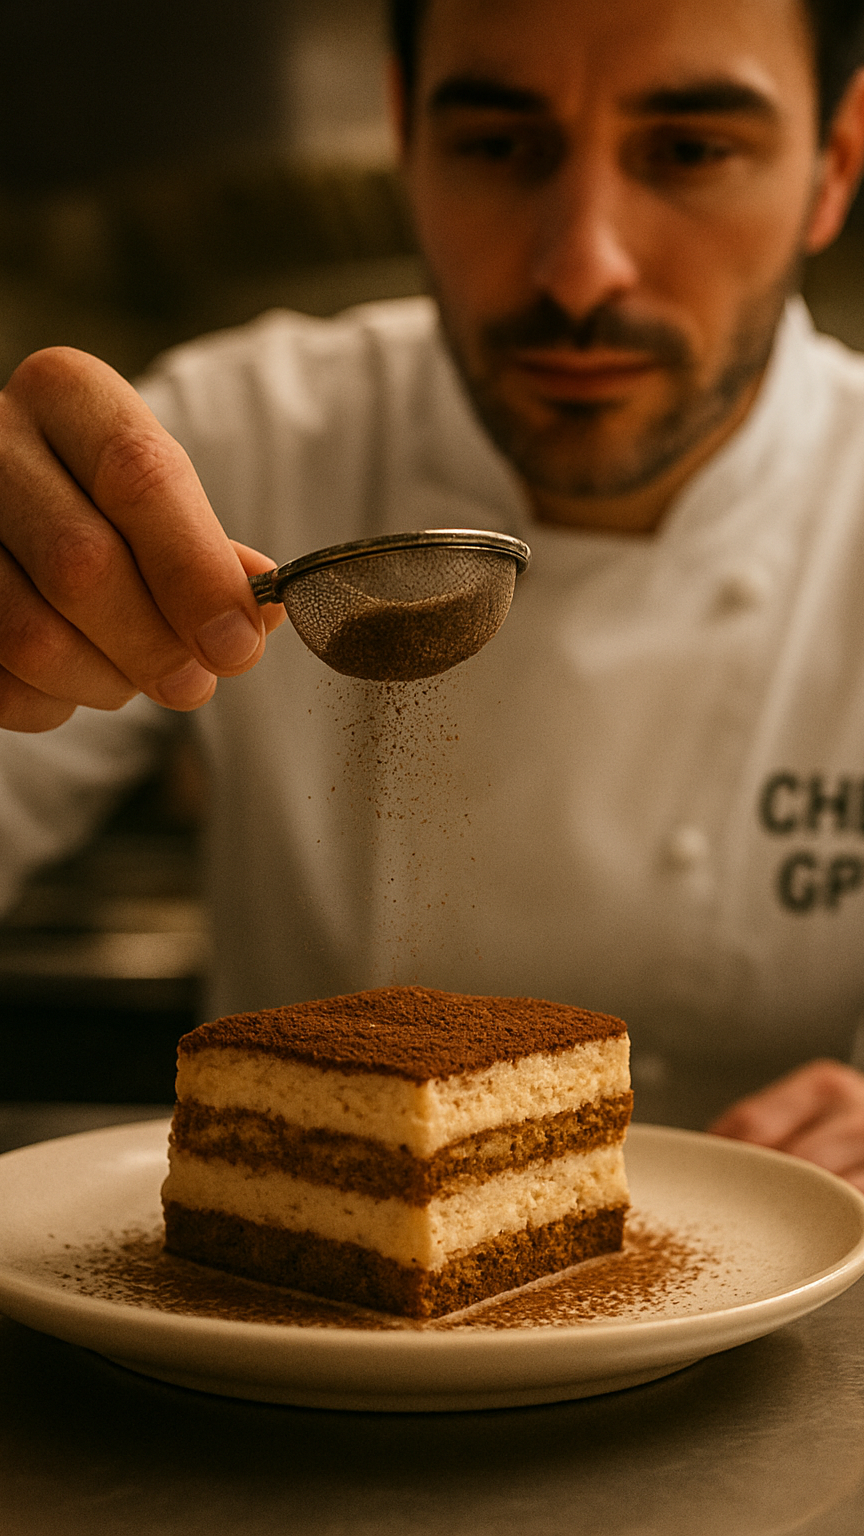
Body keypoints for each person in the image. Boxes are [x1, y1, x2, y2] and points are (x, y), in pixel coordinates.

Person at [3, 0, 864, 1182]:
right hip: (286, 1338)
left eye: (690, 152)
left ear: (835, 165)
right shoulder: (225, 442)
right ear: (407, 136)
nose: (580, 268)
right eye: (500, 147)